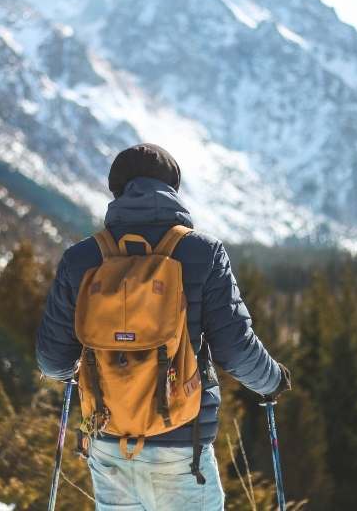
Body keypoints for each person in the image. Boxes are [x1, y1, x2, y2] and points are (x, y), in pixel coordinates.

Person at [36, 143, 291, 510]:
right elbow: (235, 348)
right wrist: (272, 381)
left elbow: (52, 361)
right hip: (181, 446)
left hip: (109, 442)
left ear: (117, 191)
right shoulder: (203, 253)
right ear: (172, 189)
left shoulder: (82, 259)